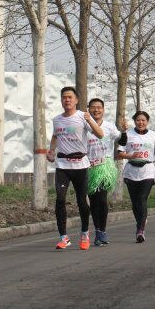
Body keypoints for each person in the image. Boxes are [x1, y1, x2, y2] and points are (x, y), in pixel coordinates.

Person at [48, 86, 104, 250]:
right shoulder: (57, 120)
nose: (67, 100)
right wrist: (51, 150)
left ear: (76, 100)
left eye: (70, 97)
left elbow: (100, 134)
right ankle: (64, 237)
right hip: (62, 165)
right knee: (60, 199)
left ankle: (85, 233)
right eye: (64, 97)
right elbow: (55, 135)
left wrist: (90, 120)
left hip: (80, 165)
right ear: (61, 100)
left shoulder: (82, 116)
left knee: (81, 201)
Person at [115, 110, 155, 243]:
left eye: (143, 120)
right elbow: (119, 154)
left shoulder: (153, 135)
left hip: (147, 170)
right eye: (138, 120)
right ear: (134, 121)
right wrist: (130, 156)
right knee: (135, 202)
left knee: (142, 199)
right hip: (131, 171)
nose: (141, 122)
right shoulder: (128, 134)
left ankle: (140, 230)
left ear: (147, 122)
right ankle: (141, 220)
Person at [86, 98, 121, 246]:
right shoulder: (84, 125)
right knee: (94, 201)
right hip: (89, 166)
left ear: (103, 109)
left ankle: (102, 231)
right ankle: (98, 231)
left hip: (105, 166)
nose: (96, 110)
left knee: (102, 199)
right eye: (93, 107)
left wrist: (125, 131)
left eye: (99, 107)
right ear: (89, 109)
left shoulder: (109, 126)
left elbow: (121, 139)